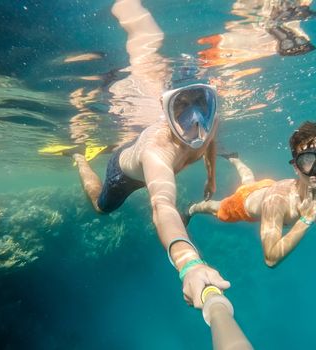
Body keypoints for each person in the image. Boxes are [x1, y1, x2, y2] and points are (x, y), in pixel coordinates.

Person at [62, 0, 230, 309]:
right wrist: (189, 263)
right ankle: (80, 159)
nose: (195, 122)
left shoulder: (210, 122)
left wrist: (212, 178)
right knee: (102, 208)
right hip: (124, 175)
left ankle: (119, 143)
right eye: (181, 108)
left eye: (201, 106)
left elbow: (211, 144)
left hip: (143, 163)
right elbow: (162, 206)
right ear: (166, 112)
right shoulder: (157, 151)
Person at [187, 121, 316, 266]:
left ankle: (234, 160)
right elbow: (270, 258)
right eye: (308, 161)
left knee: (249, 180)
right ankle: (192, 209)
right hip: (244, 202)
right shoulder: (277, 201)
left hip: (266, 187)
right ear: (296, 168)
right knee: (215, 207)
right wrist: (306, 220)